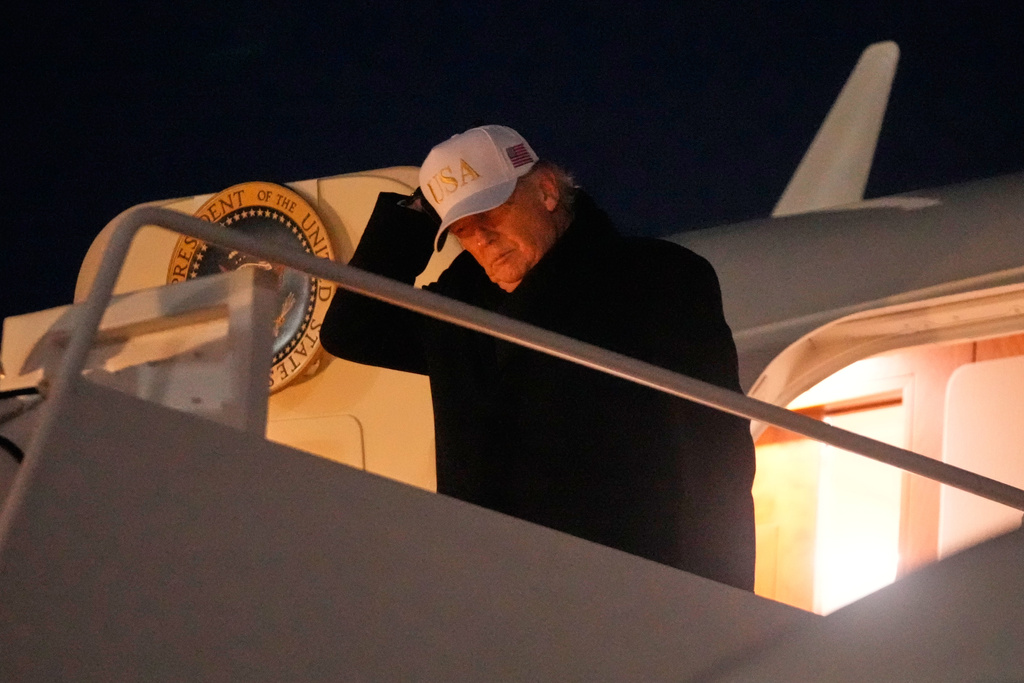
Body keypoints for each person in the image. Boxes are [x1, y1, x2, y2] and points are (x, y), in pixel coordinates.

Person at [320, 125, 755, 590]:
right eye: (461, 228)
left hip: (630, 585)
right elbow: (353, 330)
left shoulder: (656, 279)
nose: (481, 237)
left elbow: (716, 449)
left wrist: (721, 595)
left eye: (491, 210)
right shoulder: (458, 309)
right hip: (492, 588)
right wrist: (418, 213)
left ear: (546, 189)